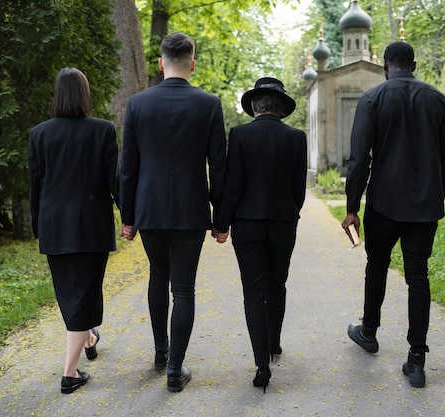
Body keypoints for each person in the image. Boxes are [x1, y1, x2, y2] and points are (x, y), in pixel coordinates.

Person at [342, 41, 445, 388]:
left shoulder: (373, 99)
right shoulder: (437, 100)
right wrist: (436, 194)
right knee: (418, 276)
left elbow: (359, 158)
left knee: (376, 266)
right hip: (424, 207)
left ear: (384, 65)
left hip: (383, 203)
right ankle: (417, 360)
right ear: (414, 65)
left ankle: (369, 332)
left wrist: (352, 206)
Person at [119, 32, 227, 393]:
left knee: (157, 276)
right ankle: (175, 369)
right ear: (192, 64)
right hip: (191, 210)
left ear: (161, 63)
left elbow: (127, 168)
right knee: (184, 287)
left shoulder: (137, 104)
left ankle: (161, 353)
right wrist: (221, 218)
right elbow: (219, 167)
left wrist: (128, 217)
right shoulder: (209, 104)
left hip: (149, 209)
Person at [28, 67, 119, 394]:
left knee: (70, 292)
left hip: (54, 226)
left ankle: (89, 337)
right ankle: (70, 373)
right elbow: (114, 179)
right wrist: (130, 217)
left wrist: (37, 225)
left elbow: (35, 186)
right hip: (92, 226)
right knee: (85, 292)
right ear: (84, 94)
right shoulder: (103, 130)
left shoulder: (39, 133)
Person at [215, 77, 307, 393]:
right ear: (280, 108)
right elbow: (299, 190)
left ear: (255, 106)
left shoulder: (239, 135)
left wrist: (221, 222)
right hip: (283, 223)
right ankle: (274, 342)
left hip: (248, 225)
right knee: (277, 283)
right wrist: (290, 213)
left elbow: (234, 184)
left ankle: (262, 364)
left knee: (253, 292)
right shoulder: (297, 137)